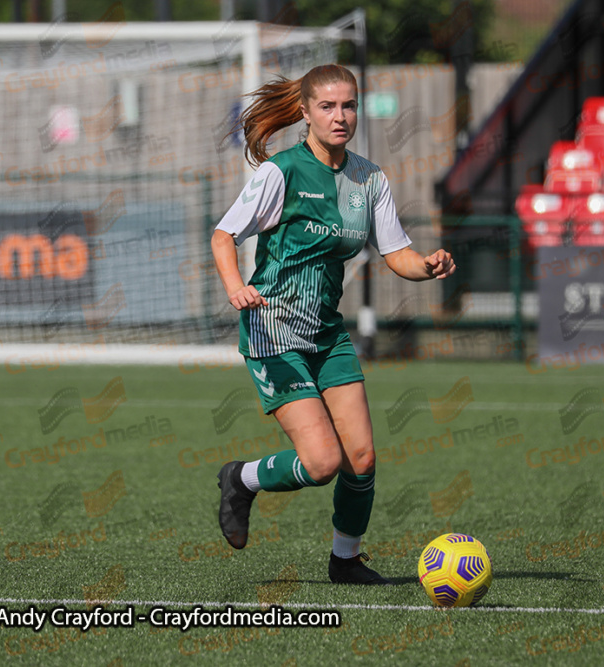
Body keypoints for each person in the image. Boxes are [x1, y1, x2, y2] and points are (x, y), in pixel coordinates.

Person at [211, 64, 456, 585]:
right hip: (273, 331)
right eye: (327, 106)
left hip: (326, 332)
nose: (340, 116)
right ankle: (242, 479)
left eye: (349, 106)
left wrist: (427, 265)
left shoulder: (369, 178)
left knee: (361, 458)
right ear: (304, 113)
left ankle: (345, 560)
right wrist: (236, 286)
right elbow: (222, 235)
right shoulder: (282, 173)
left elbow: (397, 254)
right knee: (322, 463)